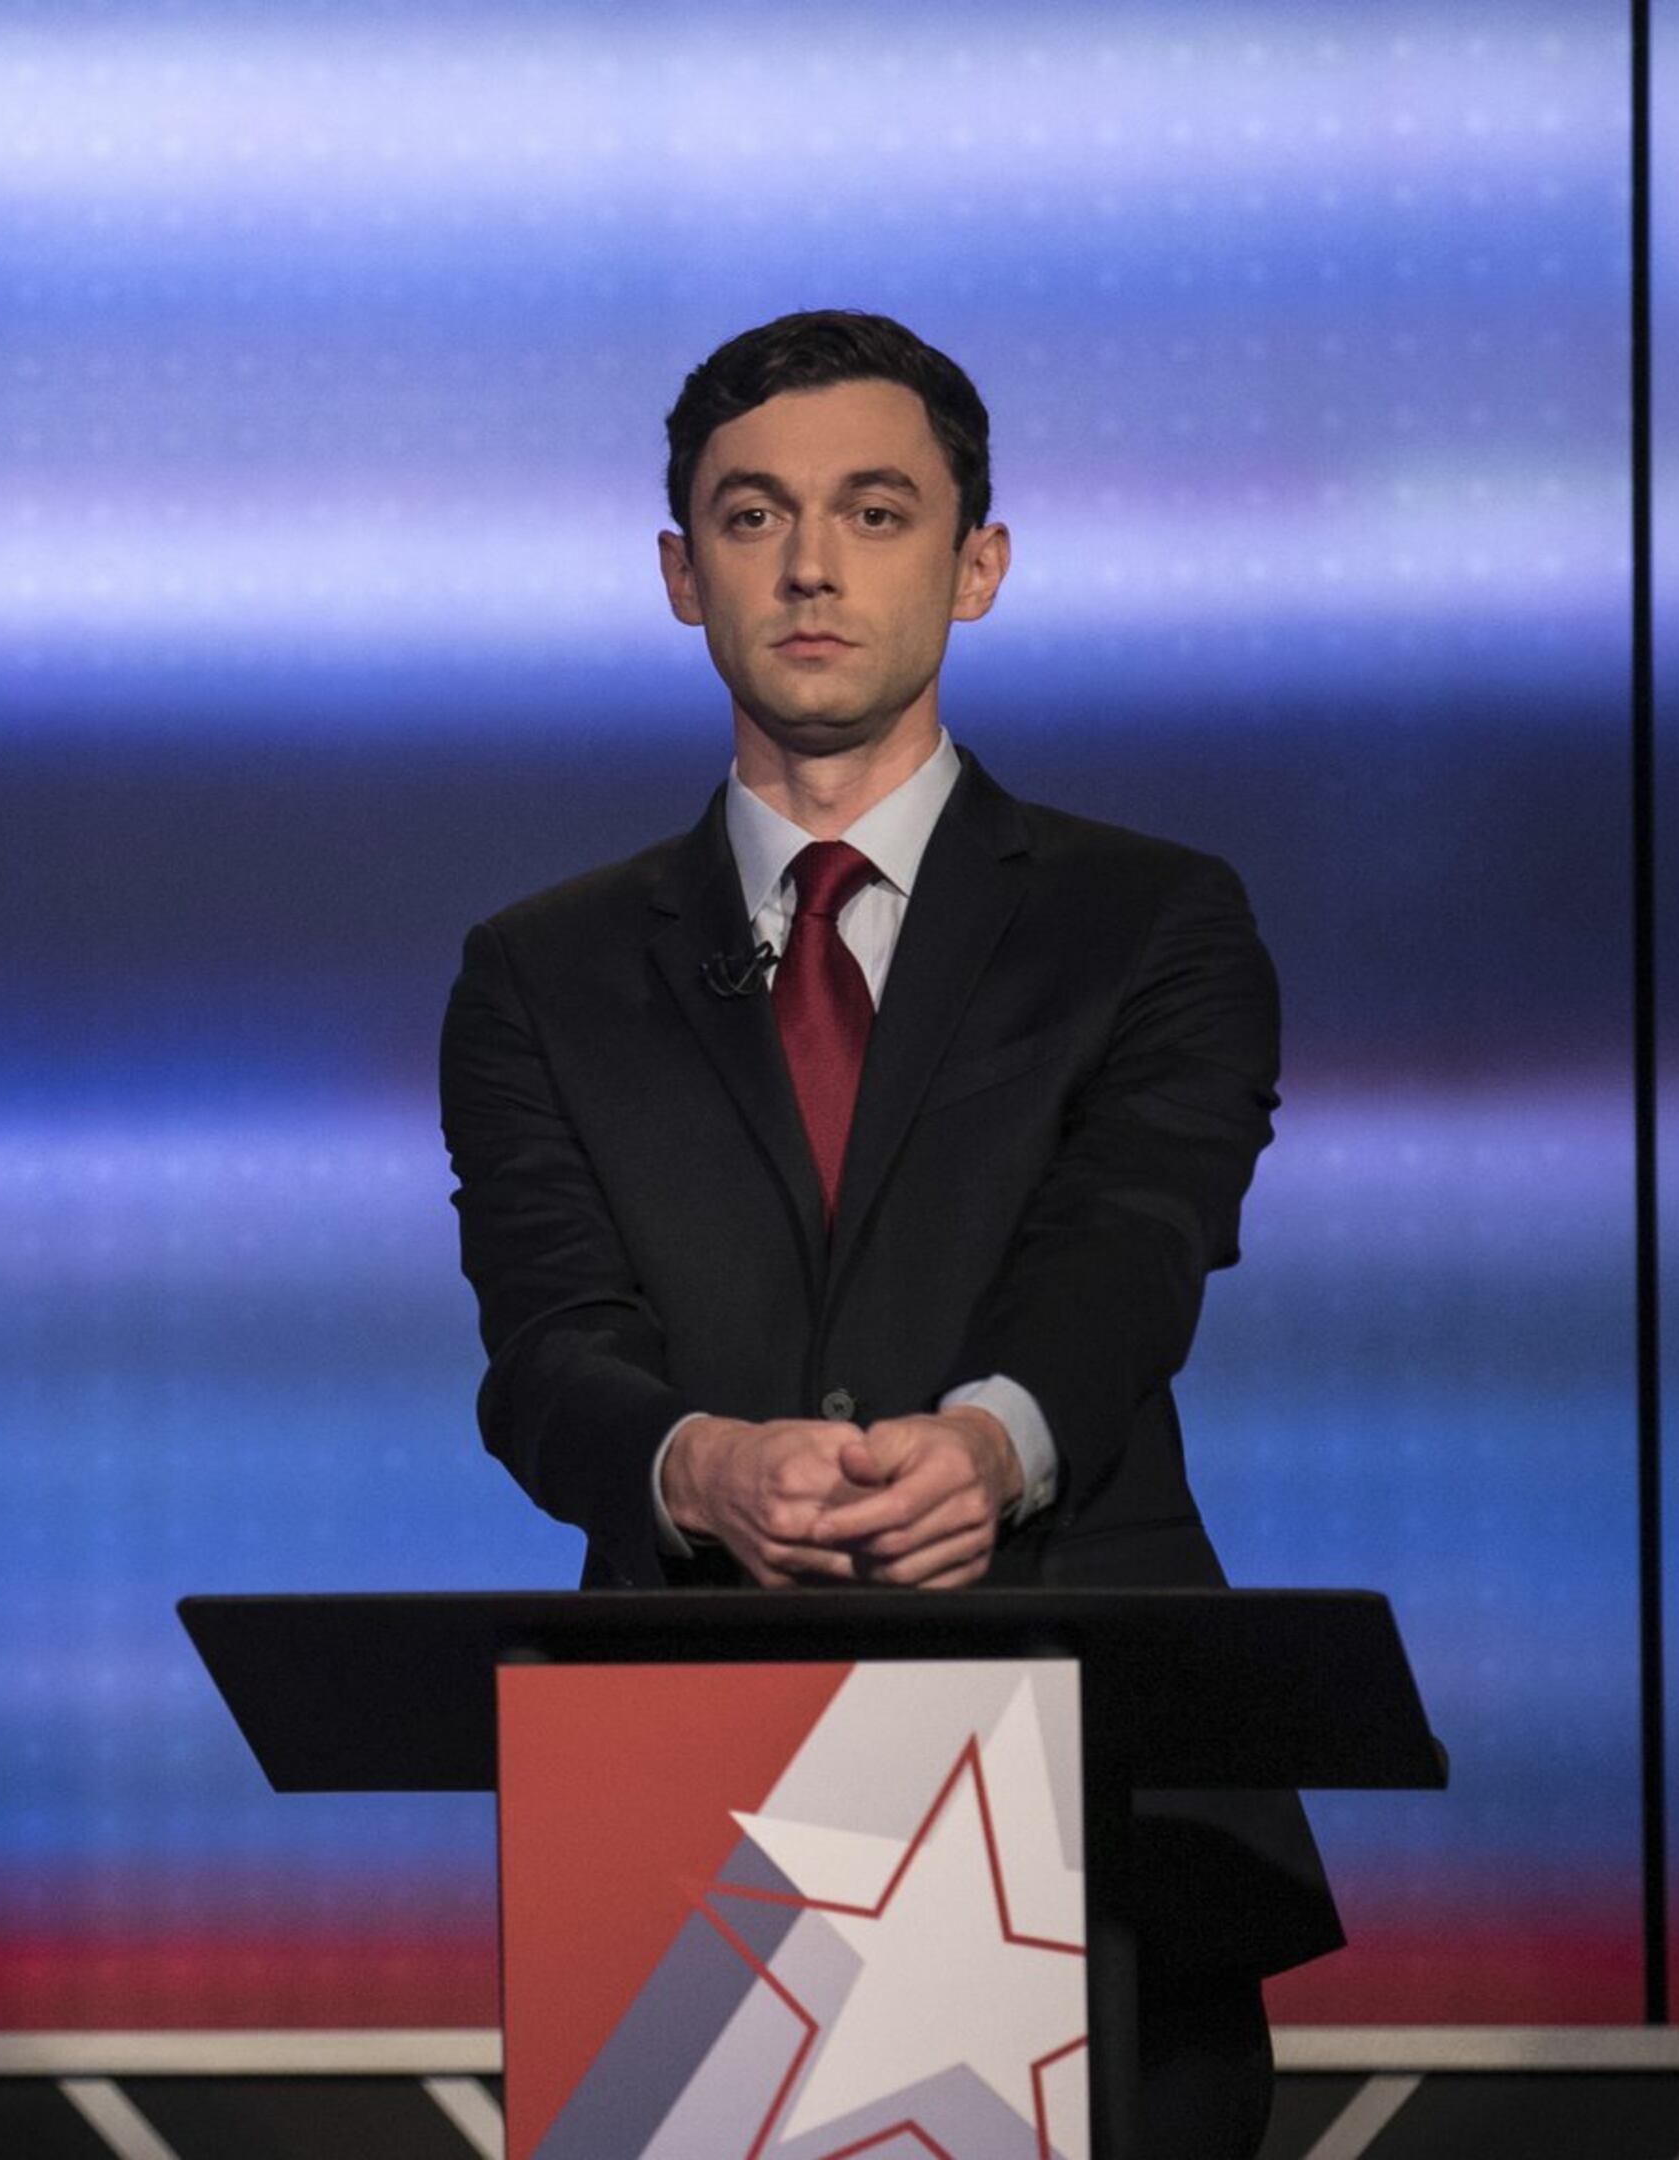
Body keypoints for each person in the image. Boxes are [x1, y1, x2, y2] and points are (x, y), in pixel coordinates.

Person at [438, 310, 1335, 2157]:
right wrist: (698, 1467)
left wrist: (993, 1441)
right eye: (754, 519)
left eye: (876, 510)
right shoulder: (542, 970)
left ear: (976, 562)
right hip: (690, 1814)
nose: (816, 565)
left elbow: (1140, 1245)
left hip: (1092, 1794)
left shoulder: (1148, 921)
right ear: (684, 578)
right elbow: (544, 1353)